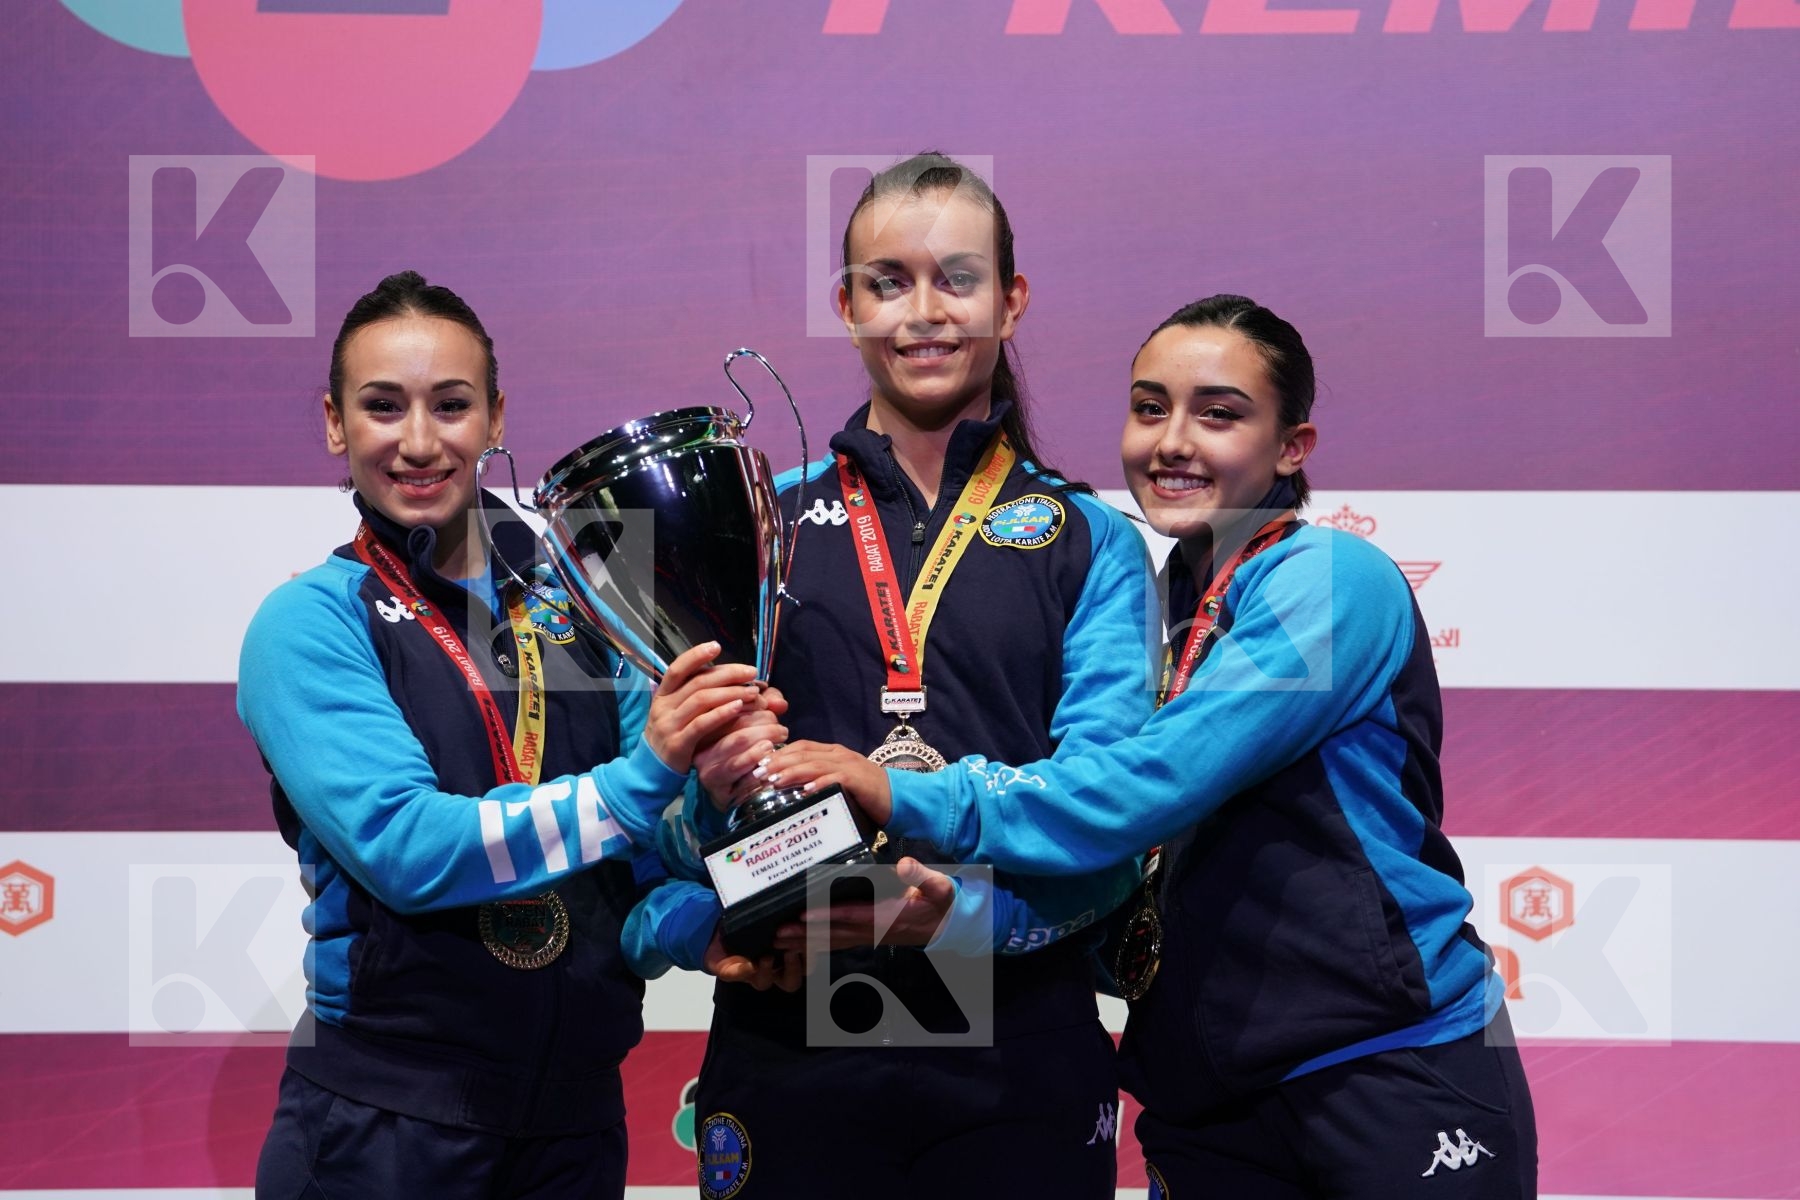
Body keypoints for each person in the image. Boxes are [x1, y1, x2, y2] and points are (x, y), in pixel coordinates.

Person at [766, 295, 1540, 1199]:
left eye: (1218, 413)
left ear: (1294, 446)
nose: (1173, 440)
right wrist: (949, 921)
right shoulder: (1154, 603)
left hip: (1384, 1068)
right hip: (1203, 1094)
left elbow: (1147, 790)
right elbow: (1133, 879)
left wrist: (905, 793)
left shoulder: (1331, 581)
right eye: (1148, 407)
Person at [621, 154, 1159, 1198]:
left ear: (1013, 300)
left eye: (957, 279)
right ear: (846, 305)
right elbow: (657, 820)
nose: (925, 311)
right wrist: (714, 916)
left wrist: (950, 920)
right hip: (795, 1032)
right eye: (888, 281)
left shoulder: (1089, 540)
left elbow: (1110, 819)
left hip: (1021, 1046)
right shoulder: (752, 523)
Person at [238, 270, 767, 1199]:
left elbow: (634, 868)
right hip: (389, 1127)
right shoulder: (313, 623)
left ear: (494, 417)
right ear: (334, 423)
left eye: (450, 405)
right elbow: (406, 847)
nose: (417, 441)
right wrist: (643, 776)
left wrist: (706, 914)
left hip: (575, 1121)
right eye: (381, 407)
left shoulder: (585, 597)